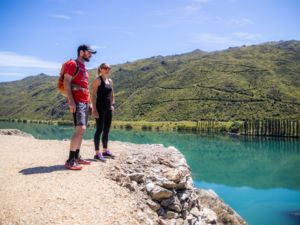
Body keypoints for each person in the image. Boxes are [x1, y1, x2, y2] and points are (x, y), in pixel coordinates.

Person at [64, 44, 97, 170]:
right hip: (77, 101)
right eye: (89, 52)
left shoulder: (84, 67)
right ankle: (70, 160)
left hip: (84, 101)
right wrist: (71, 100)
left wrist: (89, 102)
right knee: (80, 128)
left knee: (82, 130)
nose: (91, 55)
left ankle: (77, 156)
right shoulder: (73, 64)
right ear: (81, 52)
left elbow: (85, 87)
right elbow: (67, 82)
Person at [92, 63, 115, 161]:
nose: (107, 70)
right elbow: (93, 95)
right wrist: (94, 109)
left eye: (109, 68)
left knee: (106, 130)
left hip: (108, 109)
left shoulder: (110, 81)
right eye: (105, 68)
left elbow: (112, 94)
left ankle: (105, 151)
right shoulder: (98, 80)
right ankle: (97, 153)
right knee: (99, 130)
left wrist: (113, 105)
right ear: (101, 69)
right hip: (100, 108)